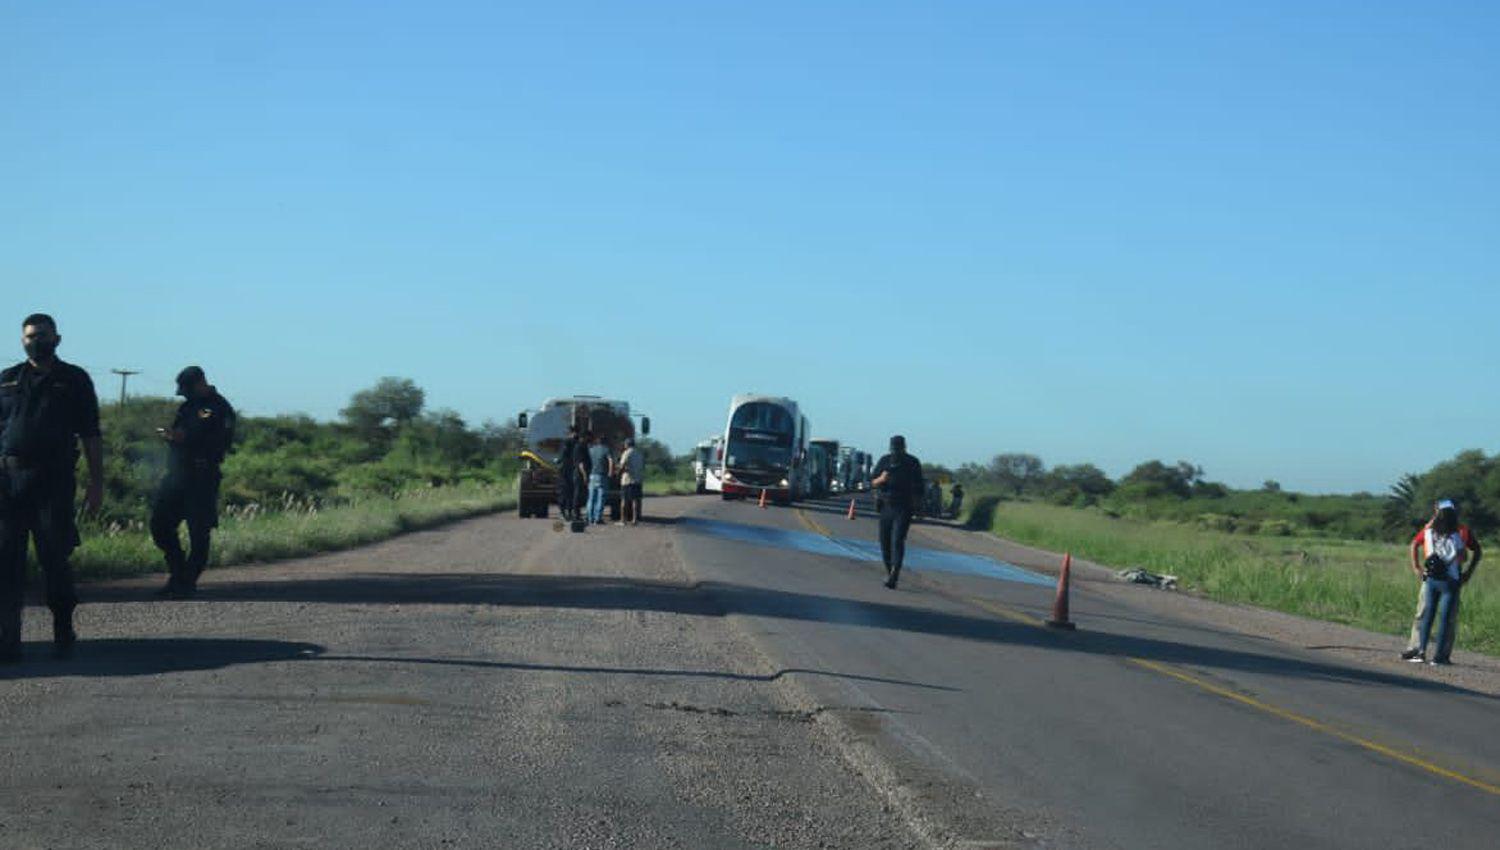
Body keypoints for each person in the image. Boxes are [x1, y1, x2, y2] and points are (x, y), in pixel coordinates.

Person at [0, 313, 103, 661]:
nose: (35, 341)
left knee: (54, 558)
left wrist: (96, 482)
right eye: (29, 336)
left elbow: (91, 434)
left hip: (53, 482)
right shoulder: (8, 380)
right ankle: (8, 642)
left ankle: (62, 625)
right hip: (9, 483)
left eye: (42, 335)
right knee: (6, 562)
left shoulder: (74, 380)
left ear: (57, 339)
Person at [151, 367, 236, 598]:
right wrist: (173, 437)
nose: (184, 394)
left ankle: (186, 582)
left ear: (200, 383)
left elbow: (221, 441)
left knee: (199, 532)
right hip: (177, 476)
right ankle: (178, 573)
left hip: (202, 477)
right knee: (160, 525)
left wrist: (187, 438)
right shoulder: (188, 406)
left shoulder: (220, 407)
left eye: (187, 388)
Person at [1401, 499, 1482, 665]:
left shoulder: (1429, 531)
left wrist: (1418, 566)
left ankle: (1420, 651)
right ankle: (1439, 656)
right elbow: (1464, 556)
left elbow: (1416, 543)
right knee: (1445, 619)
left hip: (1430, 577)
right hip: (1450, 580)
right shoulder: (1457, 534)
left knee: (1426, 615)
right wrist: (1465, 570)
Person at [870, 435, 923, 590]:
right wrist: (881, 479)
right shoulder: (885, 461)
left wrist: (919, 508)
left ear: (904, 447)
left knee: (897, 540)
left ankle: (895, 573)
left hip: (904, 507)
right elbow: (872, 482)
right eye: (894, 447)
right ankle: (890, 572)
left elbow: (919, 488)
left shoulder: (913, 462)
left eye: (898, 447)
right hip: (886, 506)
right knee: (884, 542)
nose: (896, 450)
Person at [555, 425, 582, 521]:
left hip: (565, 471)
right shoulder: (578, 443)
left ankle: (564, 512)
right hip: (573, 471)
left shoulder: (566, 442)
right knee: (571, 492)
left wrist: (558, 462)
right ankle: (569, 512)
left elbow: (562, 456)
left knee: (565, 492)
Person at [586, 433, 613, 525]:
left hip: (592, 475)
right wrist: (610, 472)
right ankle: (597, 518)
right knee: (600, 498)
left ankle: (590, 517)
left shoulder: (591, 450)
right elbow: (610, 461)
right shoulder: (606, 450)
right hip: (602, 475)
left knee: (591, 498)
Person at [618, 437, 644, 525]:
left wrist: (618, 472)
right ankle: (634, 519)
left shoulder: (626, 453)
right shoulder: (639, 454)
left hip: (627, 479)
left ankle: (623, 520)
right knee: (635, 500)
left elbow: (622, 465)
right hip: (637, 479)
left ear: (627, 444)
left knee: (624, 500)